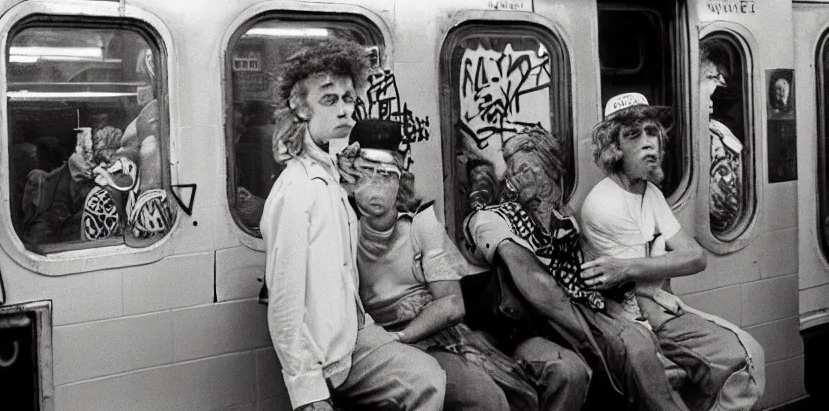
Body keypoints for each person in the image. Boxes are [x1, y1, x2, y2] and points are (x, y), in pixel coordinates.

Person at [260, 39, 445, 411]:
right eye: (330, 100)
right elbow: (284, 304)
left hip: (354, 331)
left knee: (430, 374)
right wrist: (307, 392)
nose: (346, 110)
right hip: (329, 353)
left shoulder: (329, 177)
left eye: (348, 98)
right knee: (425, 382)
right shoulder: (297, 191)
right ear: (300, 108)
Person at [456, 127, 686, 411]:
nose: (522, 177)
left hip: (571, 310)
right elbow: (536, 283)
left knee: (635, 342)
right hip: (520, 327)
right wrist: (588, 332)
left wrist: (640, 297)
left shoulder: (561, 218)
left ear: (552, 171)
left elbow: (586, 266)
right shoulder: (493, 219)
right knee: (580, 365)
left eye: (532, 168)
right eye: (516, 170)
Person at [580, 92, 766, 410]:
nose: (650, 144)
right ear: (614, 147)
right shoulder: (605, 203)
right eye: (634, 135)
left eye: (652, 132)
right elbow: (642, 299)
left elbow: (695, 257)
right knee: (743, 358)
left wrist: (643, 271)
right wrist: (675, 329)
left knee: (749, 356)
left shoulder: (649, 191)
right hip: (637, 322)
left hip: (660, 309)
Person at [340, 119, 539, 411]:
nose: (375, 184)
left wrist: (401, 336)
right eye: (365, 172)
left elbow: (451, 305)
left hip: (428, 337)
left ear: (400, 175)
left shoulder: (420, 223)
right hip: (368, 346)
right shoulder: (339, 224)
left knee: (489, 400)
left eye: (385, 174)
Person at [699, 53, 743, 233]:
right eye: (712, 77)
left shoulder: (717, 132)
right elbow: (725, 212)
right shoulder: (715, 136)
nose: (720, 82)